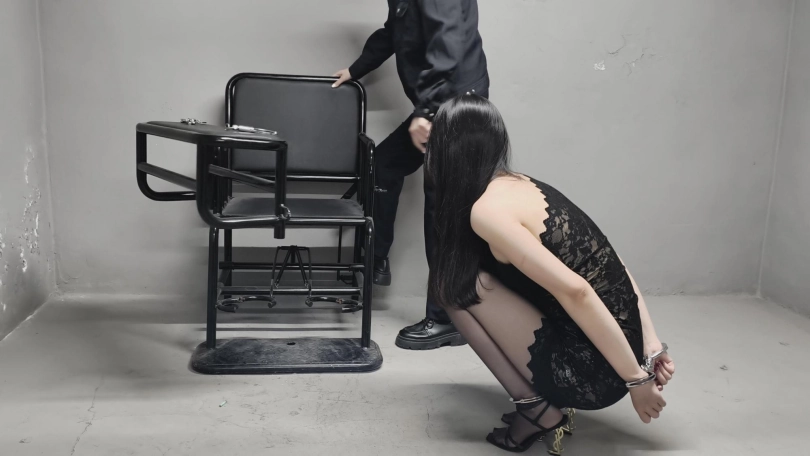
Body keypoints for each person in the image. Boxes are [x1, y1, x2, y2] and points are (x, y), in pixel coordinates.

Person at [424, 95, 676, 452]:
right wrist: (650, 345)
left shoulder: (487, 211)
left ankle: (536, 411)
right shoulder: (522, 184)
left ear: (448, 153)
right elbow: (611, 261)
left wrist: (637, 380)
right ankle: (544, 404)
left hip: (597, 374)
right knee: (473, 275)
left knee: (452, 287)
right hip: (624, 349)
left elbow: (577, 291)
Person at [332, 0, 489, 350]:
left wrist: (427, 110)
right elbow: (394, 33)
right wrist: (356, 69)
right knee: (382, 166)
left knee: (441, 213)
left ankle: (447, 318)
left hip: (458, 107)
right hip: (441, 104)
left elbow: (448, 39)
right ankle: (376, 260)